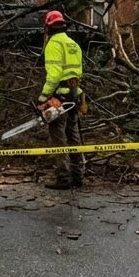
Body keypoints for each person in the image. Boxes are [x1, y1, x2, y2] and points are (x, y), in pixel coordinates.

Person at [40, 10, 84, 190]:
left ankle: (63, 177)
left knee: (59, 137)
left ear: (48, 26)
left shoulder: (53, 44)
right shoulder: (73, 44)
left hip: (60, 95)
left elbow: (54, 75)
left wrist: (43, 97)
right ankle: (78, 174)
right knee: (73, 135)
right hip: (75, 93)